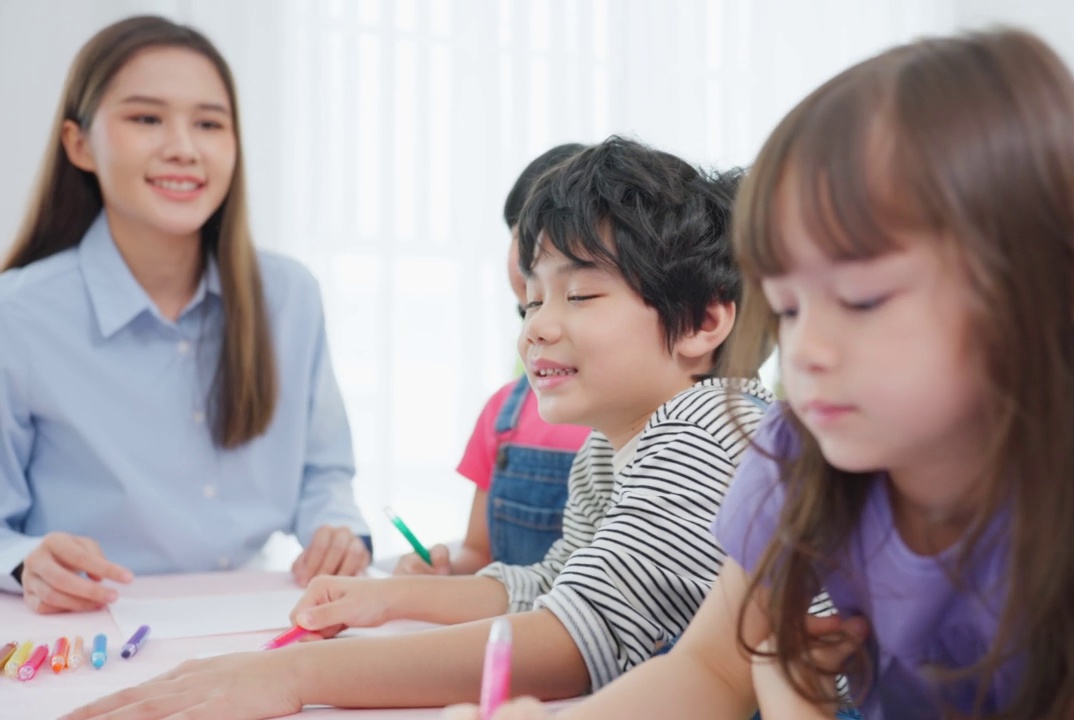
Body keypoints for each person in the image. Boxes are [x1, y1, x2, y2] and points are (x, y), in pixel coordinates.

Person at [447, 27, 1074, 720]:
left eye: (863, 299)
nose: (806, 352)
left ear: (1039, 292)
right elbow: (707, 671)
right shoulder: (797, 447)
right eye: (793, 306)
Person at [65, 136, 776, 719]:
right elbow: (555, 587)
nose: (538, 329)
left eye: (580, 293)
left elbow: (571, 638)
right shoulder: (608, 449)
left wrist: (300, 674)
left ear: (706, 321)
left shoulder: (707, 427)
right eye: (529, 304)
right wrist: (388, 596)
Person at [0, 15, 372, 615]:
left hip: (256, 615)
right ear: (78, 143)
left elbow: (325, 474)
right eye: (146, 118)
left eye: (209, 123)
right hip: (89, 622)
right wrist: (25, 560)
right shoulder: (17, 316)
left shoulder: (289, 296)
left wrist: (337, 530)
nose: (184, 147)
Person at [393, 144, 592, 577]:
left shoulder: (653, 423)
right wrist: (443, 574)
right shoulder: (505, 412)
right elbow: (479, 555)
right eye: (521, 233)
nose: (533, 255)